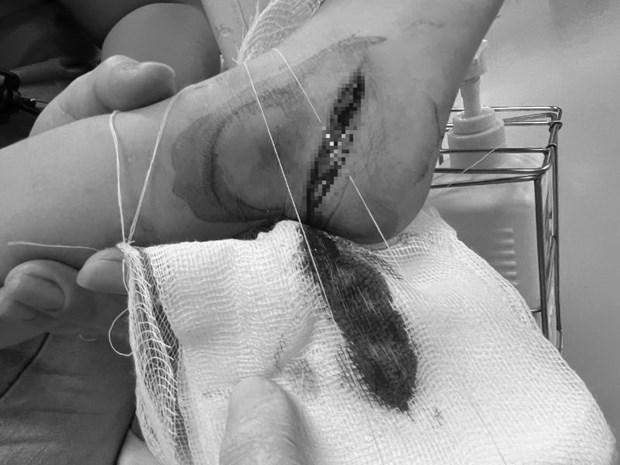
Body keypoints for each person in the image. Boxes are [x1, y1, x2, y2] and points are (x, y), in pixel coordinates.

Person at [0, 0, 504, 462]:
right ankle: (258, 141)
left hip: (111, 303)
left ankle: (245, 143)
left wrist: (135, 119)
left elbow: (155, 10)